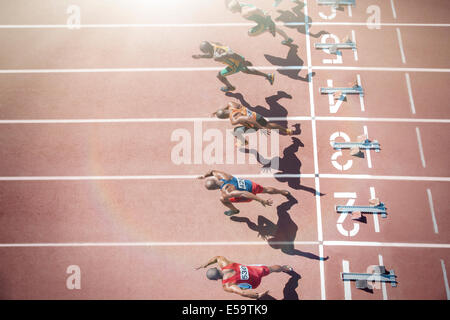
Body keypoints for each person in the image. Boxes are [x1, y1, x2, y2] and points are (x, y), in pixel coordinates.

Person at [198, 169, 290, 216]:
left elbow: (244, 194)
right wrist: (204, 176)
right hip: (250, 185)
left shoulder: (226, 191)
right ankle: (282, 192)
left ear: (214, 189)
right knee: (265, 189)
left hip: (247, 194)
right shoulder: (221, 175)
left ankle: (234, 210)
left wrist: (261, 200)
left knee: (222, 199)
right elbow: (211, 171)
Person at [195, 255, 293, 299]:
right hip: (256, 270)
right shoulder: (225, 263)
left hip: (254, 284)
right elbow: (217, 258)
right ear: (216, 268)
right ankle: (285, 268)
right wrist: (205, 264)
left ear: (215, 279)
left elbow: (242, 293)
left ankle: (256, 295)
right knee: (271, 268)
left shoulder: (227, 285)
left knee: (240, 288)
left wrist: (257, 296)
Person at [192, 41, 274, 92]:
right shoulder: (215, 44)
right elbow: (211, 54)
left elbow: (230, 54)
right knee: (247, 71)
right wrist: (200, 56)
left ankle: (230, 87)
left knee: (219, 76)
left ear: (207, 50)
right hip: (238, 60)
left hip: (235, 65)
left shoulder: (217, 57)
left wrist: (242, 61)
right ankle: (268, 76)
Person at [212, 101, 295, 147]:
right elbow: (225, 108)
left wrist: (260, 128)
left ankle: (244, 142)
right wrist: (216, 112)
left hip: (253, 123)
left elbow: (248, 119)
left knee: (236, 131)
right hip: (257, 116)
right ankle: (287, 130)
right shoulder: (232, 104)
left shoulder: (234, 119)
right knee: (269, 125)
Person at [226, 0, 293, 45]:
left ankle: (267, 29)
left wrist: (264, 15)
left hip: (264, 22)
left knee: (250, 34)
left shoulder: (244, 12)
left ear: (236, 8)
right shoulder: (241, 4)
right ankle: (288, 39)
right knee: (276, 28)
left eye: (231, 10)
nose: (231, 11)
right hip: (265, 19)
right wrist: (264, 14)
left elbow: (256, 9)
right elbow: (256, 9)